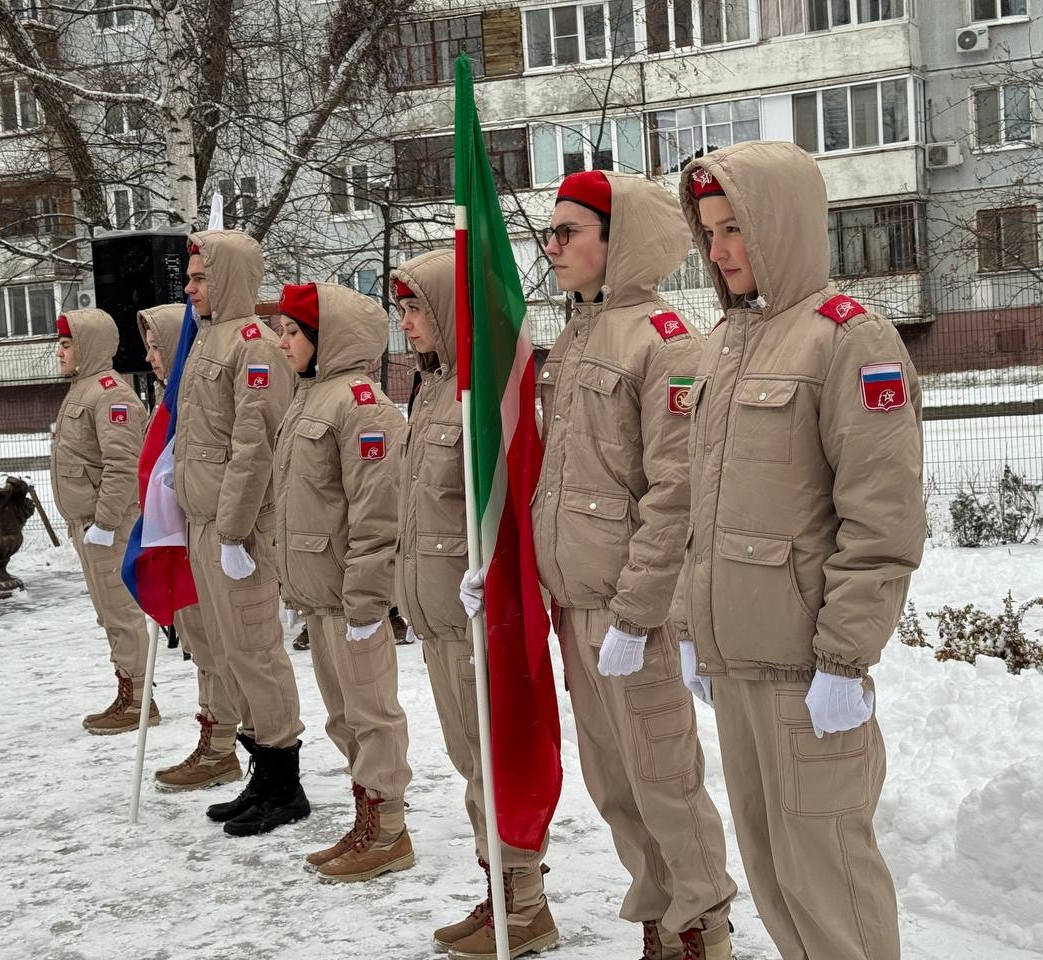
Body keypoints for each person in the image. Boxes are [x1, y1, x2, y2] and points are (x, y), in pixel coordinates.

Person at [467, 171, 738, 960]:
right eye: (549, 232)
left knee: (664, 779)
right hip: (577, 606)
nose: (551, 247)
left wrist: (637, 613)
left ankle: (702, 926)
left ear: (619, 242)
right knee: (615, 783)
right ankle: (661, 918)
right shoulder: (579, 334)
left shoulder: (664, 341)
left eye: (568, 232)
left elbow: (674, 493)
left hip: (632, 613)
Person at [675, 141, 924, 960]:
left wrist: (845, 660)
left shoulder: (849, 340)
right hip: (737, 663)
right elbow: (702, 509)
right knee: (774, 874)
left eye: (736, 229)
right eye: (709, 231)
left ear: (780, 224)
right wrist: (691, 628)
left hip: (806, 670)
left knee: (830, 881)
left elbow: (882, 520)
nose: (719, 250)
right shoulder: (723, 342)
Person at [393, 250, 560, 959]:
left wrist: (493, 575)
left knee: (495, 764)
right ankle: (505, 893)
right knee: (472, 763)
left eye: (417, 308)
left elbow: (513, 500)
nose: (406, 324)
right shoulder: (431, 390)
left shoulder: (483, 394)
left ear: (452, 311)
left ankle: (523, 905)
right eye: (401, 310)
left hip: (479, 620)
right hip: (439, 618)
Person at [274, 281, 414, 883]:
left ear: (325, 337)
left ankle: (389, 829)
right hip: (321, 593)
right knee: (343, 717)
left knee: (371, 714)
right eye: (281, 330)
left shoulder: (361, 405)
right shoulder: (310, 397)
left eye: (292, 332)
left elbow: (377, 513)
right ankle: (367, 816)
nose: (282, 342)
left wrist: (366, 599)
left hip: (351, 595)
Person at [174, 230, 307, 836]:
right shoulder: (210, 338)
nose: (190, 288)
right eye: (189, 277)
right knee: (231, 654)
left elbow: (255, 448)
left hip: (242, 530)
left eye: (201, 278)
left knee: (256, 651)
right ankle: (262, 771)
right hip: (208, 524)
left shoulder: (254, 346)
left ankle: (284, 782)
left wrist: (231, 532)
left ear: (227, 278)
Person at [136, 304, 243, 792]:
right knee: (202, 648)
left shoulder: (191, 401)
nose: (151, 358)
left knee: (217, 650)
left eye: (159, 347)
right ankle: (214, 736)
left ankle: (222, 744)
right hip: (181, 539)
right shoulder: (170, 404)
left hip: (202, 536)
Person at [50, 309, 155, 734]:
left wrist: (107, 523)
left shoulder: (111, 395)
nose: (59, 352)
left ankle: (139, 700)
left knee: (121, 611)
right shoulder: (84, 390)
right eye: (60, 344)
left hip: (108, 526)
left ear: (88, 346)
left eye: (66, 344)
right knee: (108, 613)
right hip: (90, 525)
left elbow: (123, 464)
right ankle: (129, 690)